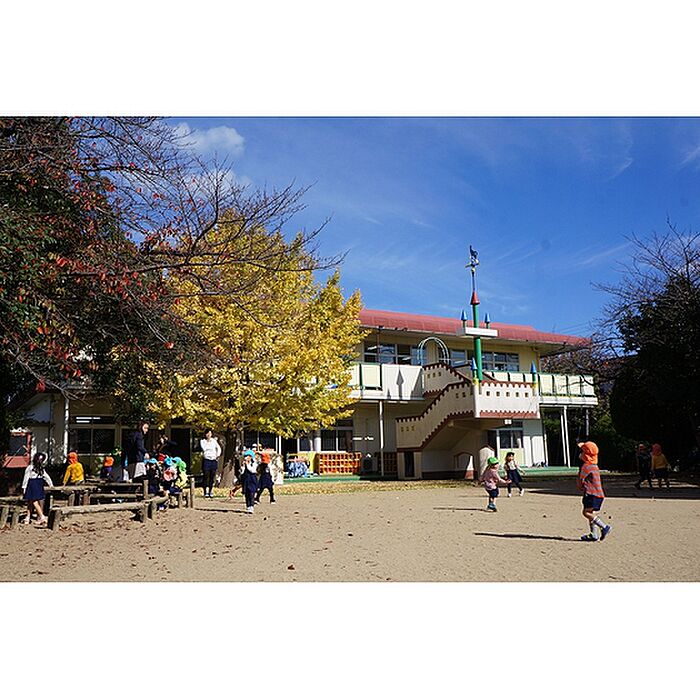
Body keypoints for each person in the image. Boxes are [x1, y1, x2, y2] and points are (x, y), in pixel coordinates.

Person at [577, 441, 612, 542]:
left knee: (586, 512)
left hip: (591, 494)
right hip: (599, 494)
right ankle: (594, 534)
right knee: (591, 512)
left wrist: (580, 482)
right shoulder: (594, 466)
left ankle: (604, 527)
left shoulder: (586, 467)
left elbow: (580, 481)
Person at [21, 452, 53, 526]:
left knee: (34, 501)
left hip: (33, 484)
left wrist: (24, 487)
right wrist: (50, 484)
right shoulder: (36, 468)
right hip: (37, 484)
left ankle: (42, 516)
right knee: (30, 501)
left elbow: (26, 478)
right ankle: (28, 517)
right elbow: (46, 477)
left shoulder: (32, 468)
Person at [200, 428, 221, 498]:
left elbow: (218, 448)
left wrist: (217, 455)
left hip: (213, 459)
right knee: (206, 475)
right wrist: (208, 443)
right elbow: (204, 448)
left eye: (210, 433)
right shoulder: (202, 441)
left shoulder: (214, 441)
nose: (209, 435)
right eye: (208, 433)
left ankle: (210, 490)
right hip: (206, 459)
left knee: (212, 476)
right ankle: (205, 491)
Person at [241, 449, 259, 514]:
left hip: (252, 479)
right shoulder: (244, 463)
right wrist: (243, 466)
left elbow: (252, 470)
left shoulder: (254, 463)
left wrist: (248, 464)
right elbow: (242, 472)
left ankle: (251, 505)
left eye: (248, 456)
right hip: (246, 479)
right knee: (246, 493)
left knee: (252, 492)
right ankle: (248, 505)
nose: (247, 457)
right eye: (246, 456)